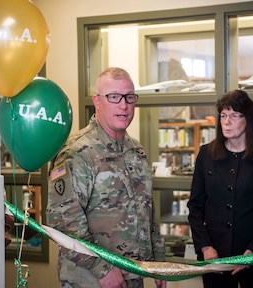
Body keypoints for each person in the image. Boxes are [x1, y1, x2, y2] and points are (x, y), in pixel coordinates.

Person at [46, 67, 166, 288]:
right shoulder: (77, 153)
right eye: (114, 97)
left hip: (132, 276)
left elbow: (147, 211)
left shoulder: (136, 151)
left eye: (129, 97)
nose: (123, 105)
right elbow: (64, 223)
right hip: (92, 280)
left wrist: (158, 261)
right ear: (97, 101)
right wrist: (102, 269)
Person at [187, 89, 253, 288]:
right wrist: (205, 247)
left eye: (234, 115)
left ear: (248, 119)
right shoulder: (206, 155)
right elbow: (195, 207)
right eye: (223, 115)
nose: (226, 121)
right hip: (216, 259)